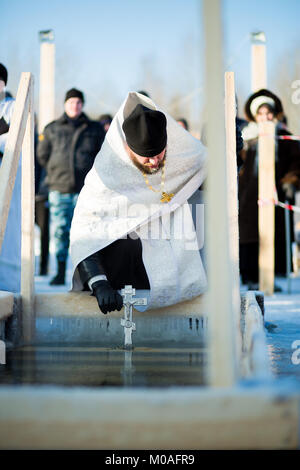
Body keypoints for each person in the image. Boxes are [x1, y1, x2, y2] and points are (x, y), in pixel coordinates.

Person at [70, 91, 243, 314]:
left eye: (159, 155)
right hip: (120, 276)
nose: (154, 162)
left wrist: (231, 157)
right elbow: (85, 233)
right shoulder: (103, 176)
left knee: (197, 212)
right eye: (147, 157)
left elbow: (211, 182)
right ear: (128, 149)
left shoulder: (179, 155)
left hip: (174, 270)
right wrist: (99, 283)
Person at [37, 88, 105, 285]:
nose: (74, 106)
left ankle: (86, 275)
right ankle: (59, 271)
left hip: (87, 191)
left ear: (82, 105)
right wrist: (55, 170)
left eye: (78, 102)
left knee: (86, 233)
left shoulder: (94, 128)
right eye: (71, 102)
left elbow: (102, 156)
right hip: (59, 189)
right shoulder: (52, 128)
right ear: (65, 105)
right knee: (60, 231)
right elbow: (42, 155)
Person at [238, 89, 300, 289]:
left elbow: (296, 162)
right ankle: (251, 278)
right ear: (255, 115)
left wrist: (291, 180)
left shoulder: (283, 135)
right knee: (249, 236)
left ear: (275, 113)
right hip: (248, 197)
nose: (265, 117)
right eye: (261, 113)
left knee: (273, 236)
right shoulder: (246, 138)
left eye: (269, 113)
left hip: (275, 194)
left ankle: (270, 279)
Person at [0, 63, 22, 292]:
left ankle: (7, 289)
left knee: (8, 237)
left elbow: (17, 139)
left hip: (8, 182)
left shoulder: (13, 107)